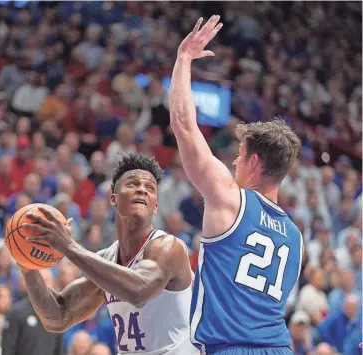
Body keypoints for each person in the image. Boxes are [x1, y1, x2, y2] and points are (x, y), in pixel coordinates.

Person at [170, 15, 303, 355]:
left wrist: (184, 58)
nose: (233, 163)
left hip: (231, 348)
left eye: (240, 156)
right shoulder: (295, 236)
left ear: (255, 163)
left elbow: (185, 126)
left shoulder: (230, 199)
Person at [20, 153, 197, 355]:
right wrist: (28, 268)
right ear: (113, 198)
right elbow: (58, 317)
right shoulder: (107, 259)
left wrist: (68, 246)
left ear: (155, 206)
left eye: (150, 188)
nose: (142, 189)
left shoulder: (168, 247)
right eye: (132, 184)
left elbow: (139, 292)